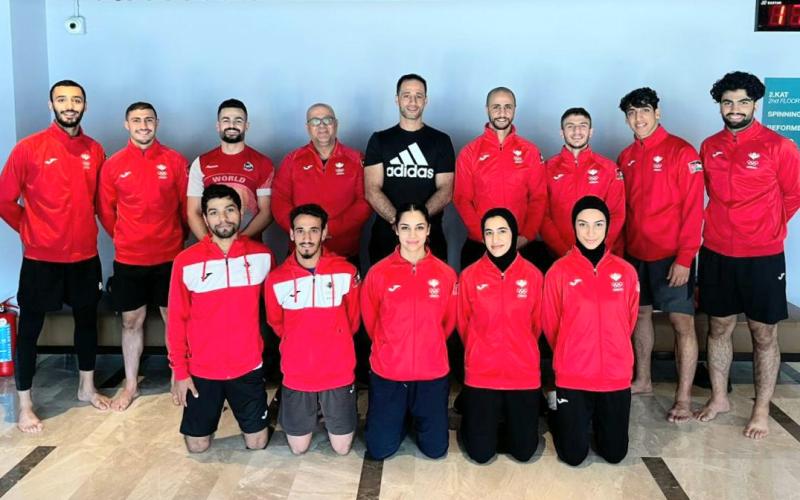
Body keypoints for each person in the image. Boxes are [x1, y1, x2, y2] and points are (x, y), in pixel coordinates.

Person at [696, 71, 800, 439]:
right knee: (718, 327)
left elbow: (793, 195)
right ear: (720, 106)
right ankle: (719, 398)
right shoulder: (709, 146)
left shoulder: (780, 146)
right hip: (717, 251)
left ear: (755, 104)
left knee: (763, 333)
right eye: (728, 102)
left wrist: (765, 227)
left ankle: (761, 409)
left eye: (742, 102)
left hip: (763, 256)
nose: (735, 109)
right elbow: (709, 192)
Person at [0, 80, 108, 433]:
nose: (69, 105)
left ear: (85, 106)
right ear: (52, 105)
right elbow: (4, 199)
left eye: (76, 100)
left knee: (87, 322)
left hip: (84, 257)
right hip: (41, 260)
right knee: (30, 329)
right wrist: (30, 231)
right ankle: (25, 404)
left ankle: (86, 387)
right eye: (62, 100)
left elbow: (100, 203)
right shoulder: (28, 148)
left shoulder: (95, 149)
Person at [617, 87, 704, 422]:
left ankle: (683, 398)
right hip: (635, 254)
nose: (638, 118)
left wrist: (685, 258)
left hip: (672, 256)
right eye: (631, 113)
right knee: (639, 316)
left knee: (682, 322)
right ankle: (643, 380)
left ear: (657, 113)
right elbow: (623, 210)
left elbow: (694, 210)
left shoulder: (682, 151)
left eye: (644, 111)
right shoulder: (626, 156)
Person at [97, 101, 188, 410]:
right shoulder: (113, 165)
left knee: (173, 319)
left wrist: (175, 237)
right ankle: (131, 384)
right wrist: (126, 237)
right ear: (127, 125)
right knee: (131, 321)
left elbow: (185, 209)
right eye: (136, 120)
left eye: (148, 120)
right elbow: (105, 211)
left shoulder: (175, 161)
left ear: (157, 123)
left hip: (169, 256)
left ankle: (178, 377)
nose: (143, 125)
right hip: (129, 258)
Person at [168, 184, 272, 453]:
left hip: (247, 367)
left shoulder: (262, 257)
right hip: (202, 370)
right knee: (197, 446)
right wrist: (180, 372)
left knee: (257, 443)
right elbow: (176, 320)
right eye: (214, 212)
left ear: (241, 213)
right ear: (204, 218)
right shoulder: (185, 262)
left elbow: (278, 310)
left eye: (229, 210)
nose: (222, 218)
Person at [542, 196, 639, 466]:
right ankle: (557, 409)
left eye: (598, 224)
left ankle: (596, 416)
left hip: (614, 376)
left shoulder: (626, 272)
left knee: (615, 454)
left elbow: (628, 320)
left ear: (607, 227)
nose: (591, 232)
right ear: (574, 226)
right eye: (583, 224)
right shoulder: (558, 272)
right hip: (573, 375)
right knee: (573, 456)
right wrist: (570, 352)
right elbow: (550, 324)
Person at [361, 203, 457, 460]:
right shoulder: (378, 274)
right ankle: (399, 416)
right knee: (379, 449)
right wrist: (391, 347)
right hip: (389, 373)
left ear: (428, 230)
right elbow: (371, 322)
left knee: (436, 450)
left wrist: (429, 344)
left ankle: (413, 414)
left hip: (431, 373)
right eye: (405, 228)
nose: (412, 235)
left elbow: (448, 322)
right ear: (395, 230)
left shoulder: (446, 275)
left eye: (419, 228)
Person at [264, 204, 361, 455]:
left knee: (342, 448)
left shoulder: (347, 271)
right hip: (298, 373)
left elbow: (353, 320)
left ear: (324, 232)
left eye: (314, 230)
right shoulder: (276, 279)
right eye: (300, 230)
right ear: (291, 234)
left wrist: (335, 340)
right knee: (298, 448)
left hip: (338, 372)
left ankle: (327, 409)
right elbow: (276, 323)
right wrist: (298, 341)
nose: (306, 238)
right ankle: (313, 410)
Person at [457, 208, 544, 463]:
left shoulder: (533, 275)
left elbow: (538, 325)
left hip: (522, 374)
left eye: (502, 231)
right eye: (489, 233)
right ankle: (476, 418)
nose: (495, 239)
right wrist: (480, 351)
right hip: (482, 374)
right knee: (480, 454)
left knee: (524, 452)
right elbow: (463, 325)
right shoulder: (469, 276)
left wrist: (520, 349)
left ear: (514, 234)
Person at [364, 74, 455, 263]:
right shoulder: (379, 140)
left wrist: (418, 225)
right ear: (397, 99)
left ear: (425, 100)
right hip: (386, 237)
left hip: (430, 238)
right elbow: (372, 190)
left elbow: (446, 190)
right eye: (406, 95)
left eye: (418, 96)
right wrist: (400, 223)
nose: (412, 101)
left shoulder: (441, 141)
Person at [453, 87, 547, 269]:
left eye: (507, 107)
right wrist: (483, 236)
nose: (502, 113)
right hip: (480, 244)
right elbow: (462, 199)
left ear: (514, 109)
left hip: (521, 243)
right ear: (487, 109)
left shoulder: (530, 151)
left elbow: (539, 197)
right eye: (496, 107)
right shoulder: (469, 152)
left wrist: (526, 236)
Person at [272, 103, 371, 263]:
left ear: (336, 124)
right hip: (301, 251)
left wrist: (330, 228)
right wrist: (304, 230)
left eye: (327, 120)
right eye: (315, 121)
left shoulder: (356, 159)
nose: (322, 126)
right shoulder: (292, 160)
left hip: (344, 252)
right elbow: (279, 200)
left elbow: (365, 202)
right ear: (308, 127)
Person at [541, 107, 626, 259]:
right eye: (570, 126)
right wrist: (564, 252)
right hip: (559, 256)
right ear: (562, 132)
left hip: (601, 256)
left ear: (590, 132)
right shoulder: (547, 169)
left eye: (582, 125)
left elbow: (617, 214)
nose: (577, 131)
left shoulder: (609, 169)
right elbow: (543, 215)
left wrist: (597, 250)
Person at [186, 99, 274, 241]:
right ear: (218, 125)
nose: (232, 125)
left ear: (246, 126)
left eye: (238, 121)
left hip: (250, 246)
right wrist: (210, 244)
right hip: (212, 247)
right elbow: (193, 211)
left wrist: (239, 241)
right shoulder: (201, 163)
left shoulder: (263, 163)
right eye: (226, 120)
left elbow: (266, 212)